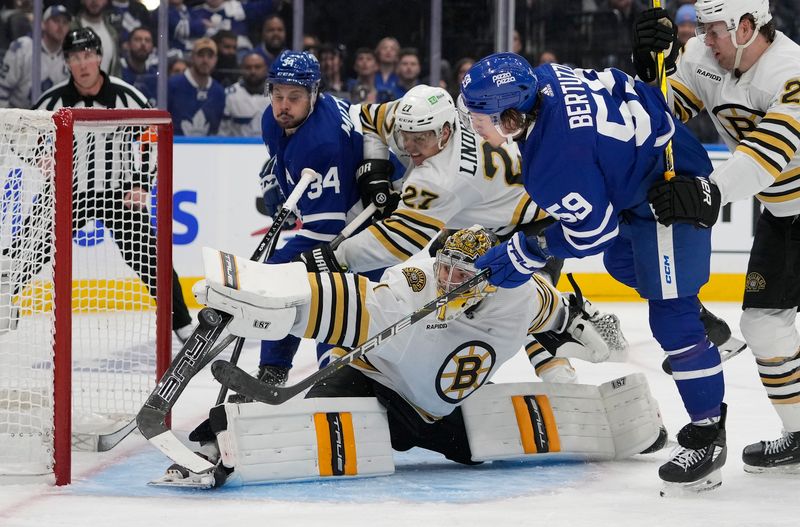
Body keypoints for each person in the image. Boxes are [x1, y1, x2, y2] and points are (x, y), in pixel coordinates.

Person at [169, 226, 663, 487]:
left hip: (439, 409)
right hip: (375, 381)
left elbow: (565, 314)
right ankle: (215, 438)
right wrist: (277, 308)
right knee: (322, 417)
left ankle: (639, 429)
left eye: (458, 272)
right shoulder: (413, 283)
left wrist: (593, 335)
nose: (446, 280)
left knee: (477, 451)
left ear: (487, 272)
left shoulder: (522, 294)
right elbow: (350, 306)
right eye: (443, 267)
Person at [459, 52, 727, 493]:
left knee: (671, 318)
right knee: (622, 263)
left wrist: (527, 251)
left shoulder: (552, 166)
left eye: (481, 116)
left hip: (667, 193)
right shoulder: (548, 76)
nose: (474, 125)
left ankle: (708, 430)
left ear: (511, 117)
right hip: (651, 167)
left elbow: (592, 234)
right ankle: (697, 318)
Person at [299, 85, 581, 383]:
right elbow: (368, 119)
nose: (411, 147)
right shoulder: (412, 118)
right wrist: (375, 167)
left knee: (520, 299)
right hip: (477, 218)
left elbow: (396, 242)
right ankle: (456, 370)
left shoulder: (442, 179)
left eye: (421, 139)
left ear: (446, 131)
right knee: (453, 293)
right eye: (406, 136)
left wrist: (335, 257)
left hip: (534, 222)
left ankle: (557, 371)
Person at [632, 0, 800, 475]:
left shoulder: (792, 72)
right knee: (765, 327)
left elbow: (771, 153)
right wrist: (648, 74)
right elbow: (661, 120)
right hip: (783, 215)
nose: (705, 39)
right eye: (702, 30)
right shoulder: (702, 59)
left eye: (714, 30)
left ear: (747, 27)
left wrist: (711, 194)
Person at [10, 28, 194, 341]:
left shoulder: (127, 95)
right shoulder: (53, 99)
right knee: (26, 248)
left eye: (87, 55)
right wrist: (40, 156)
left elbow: (155, 135)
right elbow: (19, 132)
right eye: (75, 57)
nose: (83, 64)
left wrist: (140, 183)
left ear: (99, 56)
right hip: (68, 192)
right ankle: (4, 302)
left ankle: (182, 323)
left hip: (119, 193)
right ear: (67, 62)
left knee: (150, 257)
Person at [252, 50, 367, 387]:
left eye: (295, 97)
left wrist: (285, 268)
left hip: (368, 226)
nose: (283, 105)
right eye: (278, 95)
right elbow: (285, 162)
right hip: (346, 213)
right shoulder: (273, 120)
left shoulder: (322, 143)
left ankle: (333, 377)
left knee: (324, 290)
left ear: (314, 94)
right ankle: (276, 368)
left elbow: (328, 232)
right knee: (290, 277)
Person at [0, 4, 71, 109]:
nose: (60, 26)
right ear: (43, 24)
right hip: (16, 115)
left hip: (49, 119)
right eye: (56, 20)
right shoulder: (22, 47)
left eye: (65, 22)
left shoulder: (71, 55)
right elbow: (2, 89)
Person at [167, 37, 225, 136]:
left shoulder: (218, 92)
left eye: (210, 56)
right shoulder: (172, 85)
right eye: (201, 55)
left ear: (215, 59)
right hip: (175, 147)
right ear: (192, 57)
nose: (205, 60)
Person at [219, 52, 269, 137]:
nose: (253, 71)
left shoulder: (277, 94)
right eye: (248, 67)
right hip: (238, 148)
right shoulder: (230, 94)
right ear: (241, 68)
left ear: (265, 69)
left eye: (257, 67)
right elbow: (223, 131)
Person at [74, 0, 121, 77]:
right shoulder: (71, 28)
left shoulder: (112, 32)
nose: (94, 1)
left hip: (106, 87)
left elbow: (116, 68)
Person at [120, 26, 158, 107]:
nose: (143, 44)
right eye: (138, 39)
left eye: (147, 40)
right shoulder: (118, 71)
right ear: (128, 45)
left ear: (152, 47)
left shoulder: (154, 76)